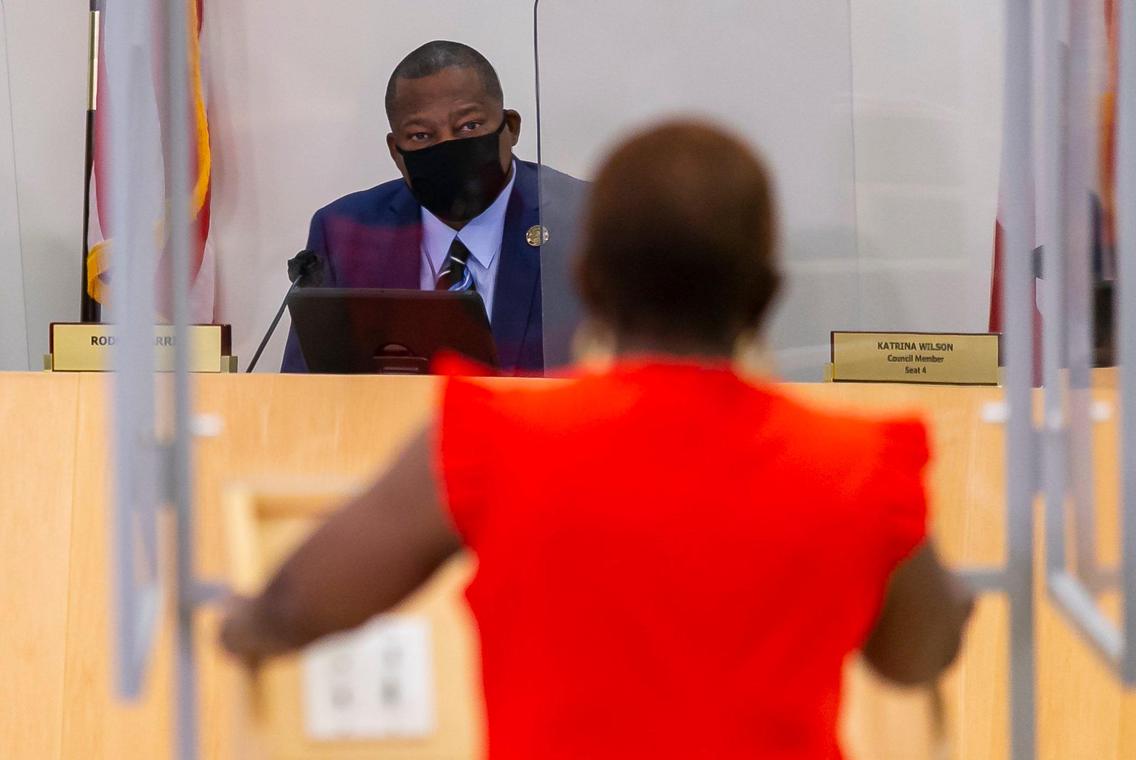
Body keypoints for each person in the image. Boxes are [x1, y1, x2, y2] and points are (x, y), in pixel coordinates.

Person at [229, 121, 975, 759]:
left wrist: (238, 628)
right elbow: (919, 657)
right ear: (768, 292)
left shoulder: (494, 436)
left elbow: (291, 609)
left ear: (587, 277)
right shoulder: (859, 462)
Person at [281, 40, 586, 374]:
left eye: (469, 126)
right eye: (422, 135)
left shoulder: (585, 221)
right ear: (396, 152)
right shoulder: (345, 231)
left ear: (510, 127)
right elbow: (307, 388)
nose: (448, 146)